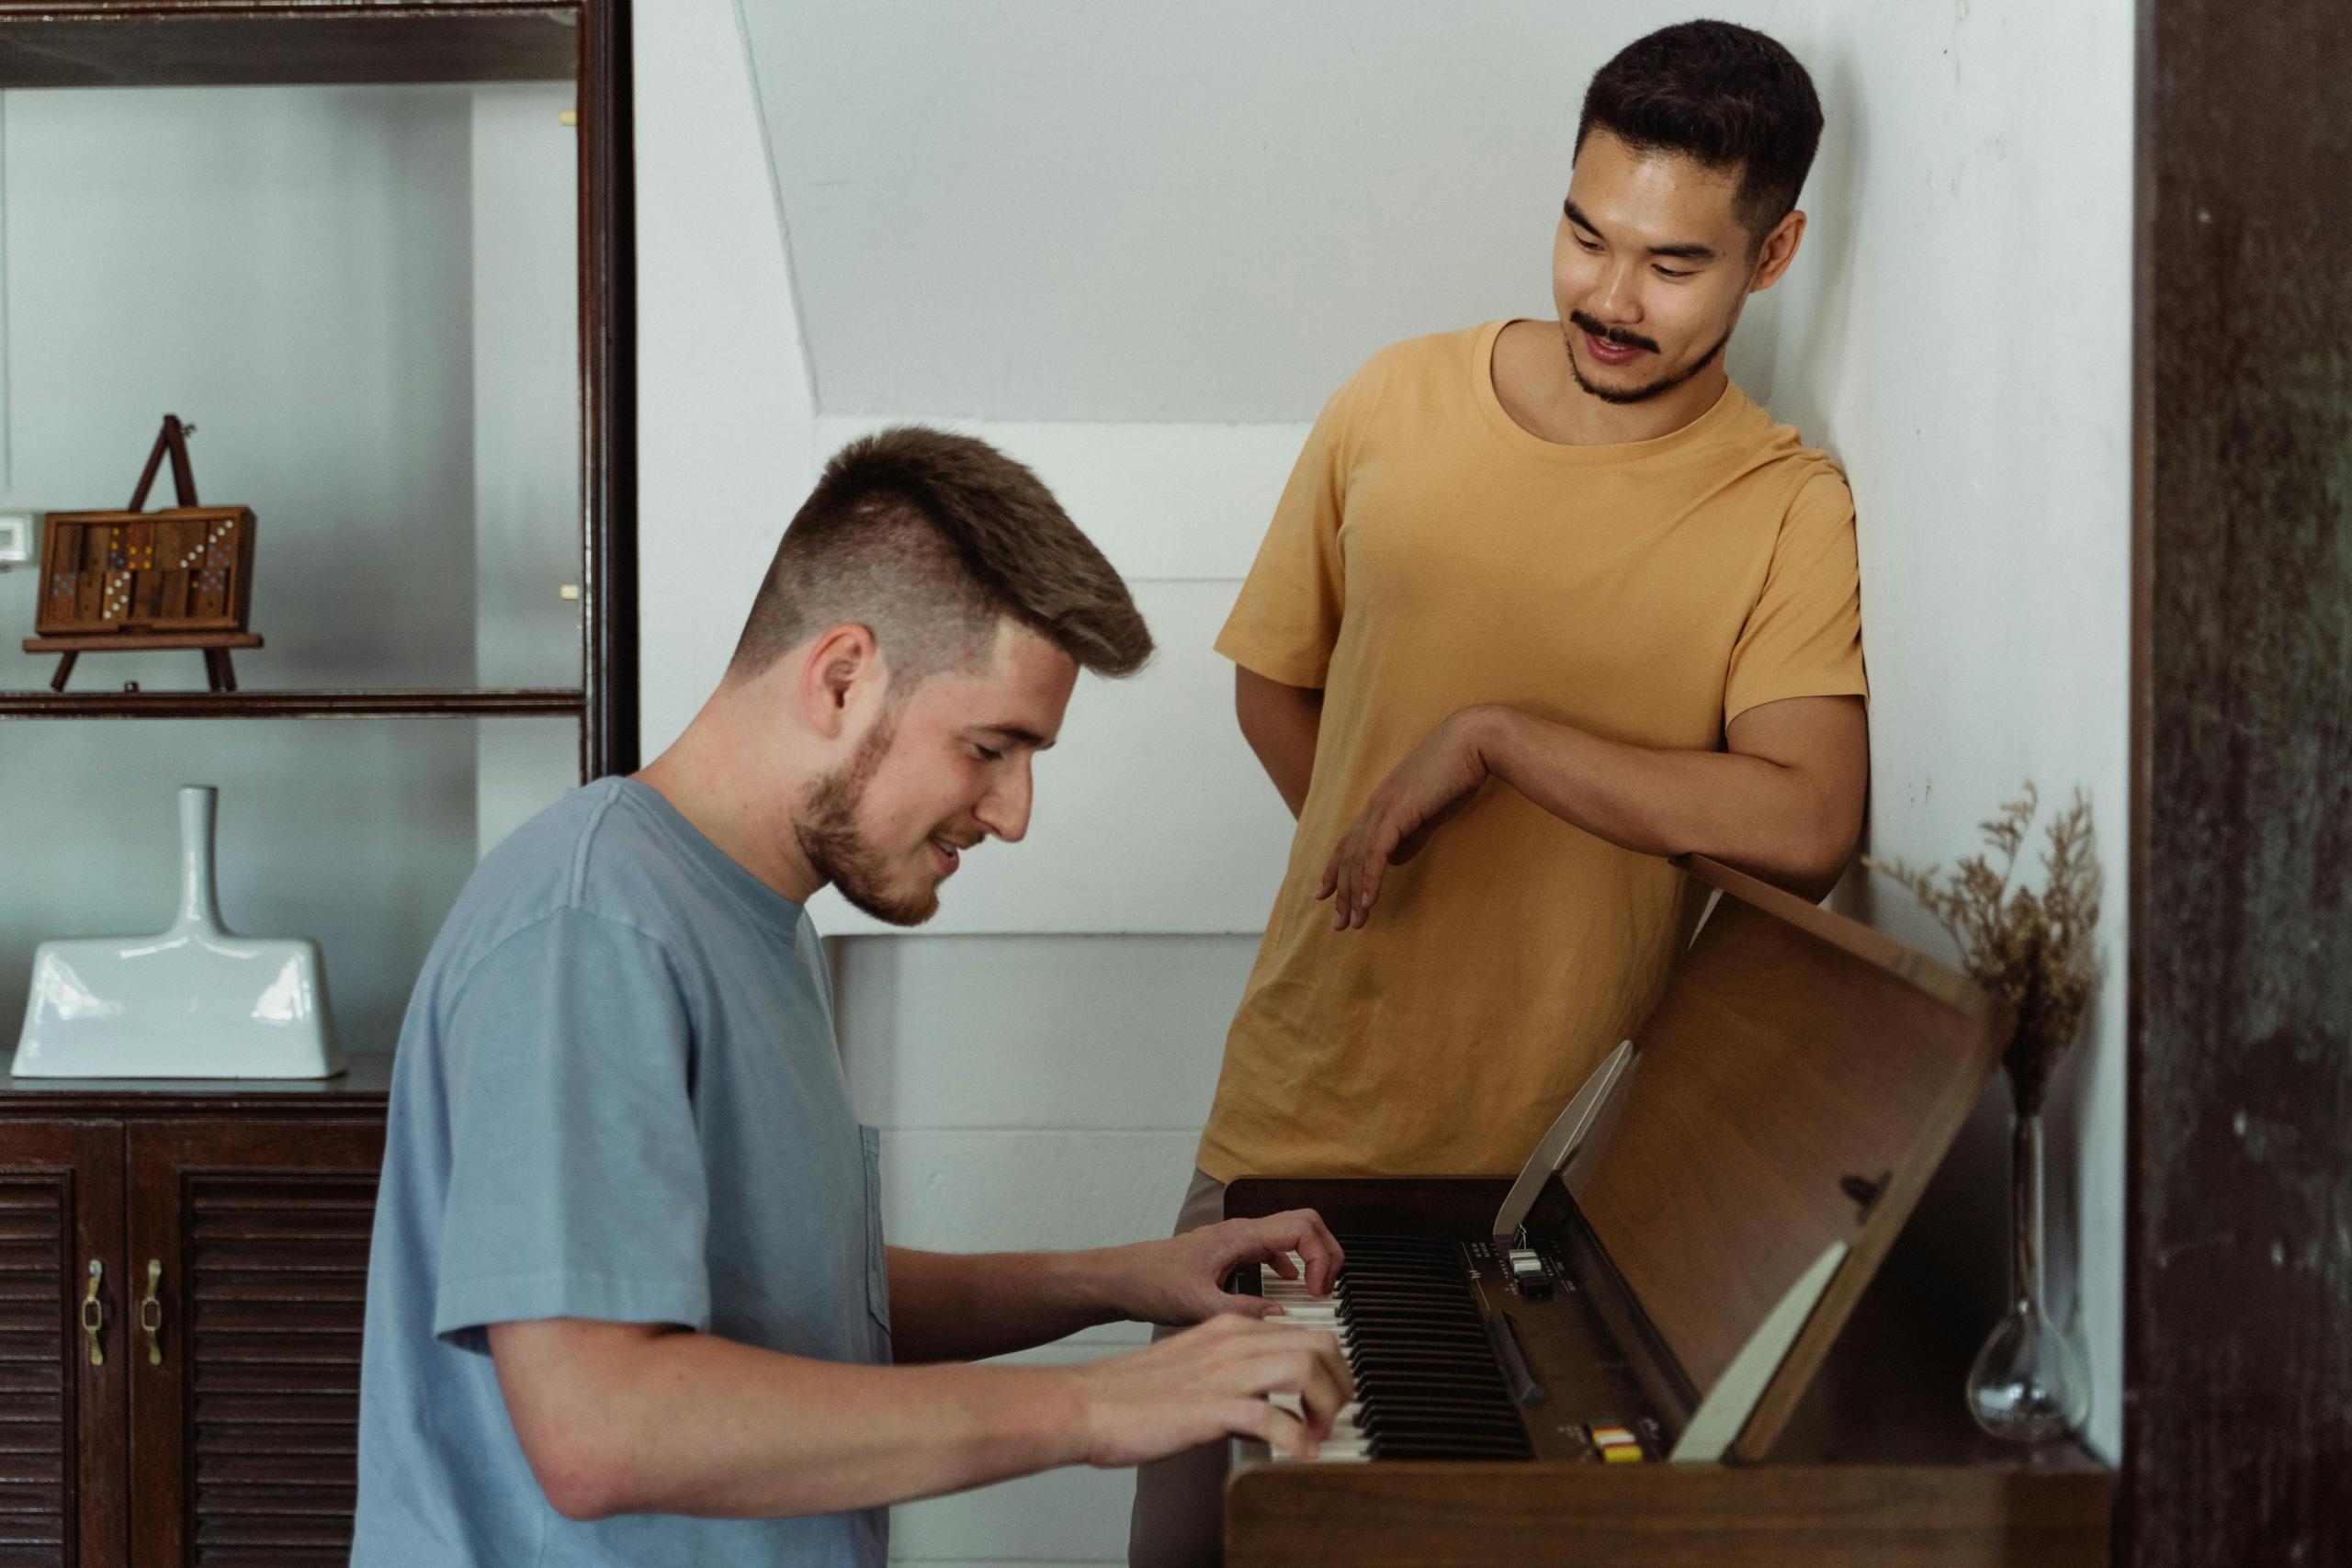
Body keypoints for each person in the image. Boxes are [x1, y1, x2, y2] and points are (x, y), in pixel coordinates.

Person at [352, 427, 1352, 1567]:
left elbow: (789, 1294)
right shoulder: (591, 929)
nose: (1015, 811)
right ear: (841, 677)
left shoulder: (750, 915)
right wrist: (1104, 1406)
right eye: (991, 747)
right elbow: (600, 1427)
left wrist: (1119, 1281)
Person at [1131, 20, 1869, 1565]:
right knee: (1199, 1548)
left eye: (1673, 264)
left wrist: (1500, 741)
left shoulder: (1786, 504)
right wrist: (1376, 844)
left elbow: (1805, 819)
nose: (1608, 294)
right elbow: (1277, 684)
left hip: (1569, 1172)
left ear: (1776, 251)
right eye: (1585, 233)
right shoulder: (1393, 402)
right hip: (1302, 1109)